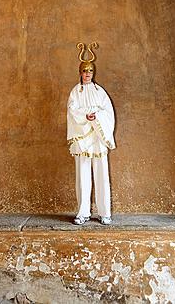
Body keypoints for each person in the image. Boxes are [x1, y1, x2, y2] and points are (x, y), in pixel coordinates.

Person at [67, 42, 116, 225]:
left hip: (97, 136)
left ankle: (105, 212)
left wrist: (97, 116)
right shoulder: (75, 92)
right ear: (80, 72)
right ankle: (83, 212)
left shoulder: (100, 92)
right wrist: (84, 116)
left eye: (90, 71)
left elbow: (108, 112)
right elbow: (72, 110)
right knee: (82, 175)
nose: (87, 74)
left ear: (93, 73)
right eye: (84, 71)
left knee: (102, 174)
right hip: (82, 137)